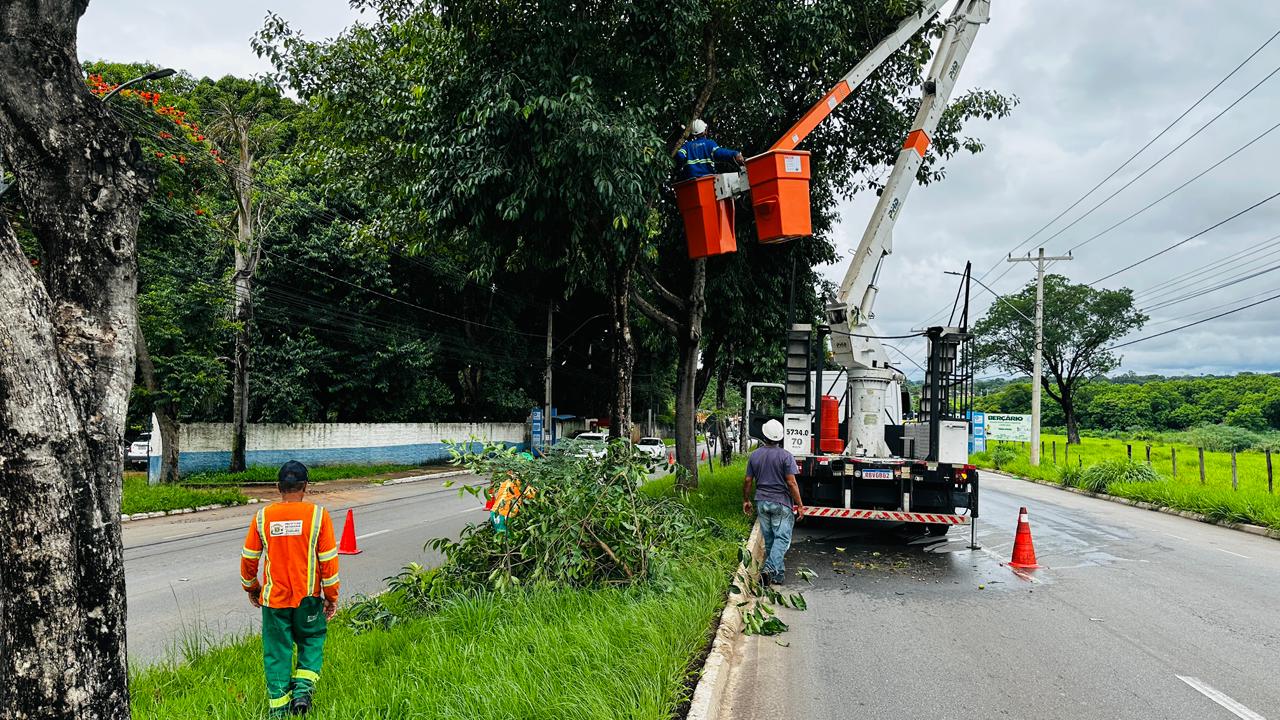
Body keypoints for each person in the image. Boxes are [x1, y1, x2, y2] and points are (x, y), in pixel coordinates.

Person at [240, 461, 340, 717]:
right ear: (305, 487)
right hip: (307, 599)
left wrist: (252, 587)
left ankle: (279, 709)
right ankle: (302, 692)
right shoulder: (319, 516)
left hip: (274, 601)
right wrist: (331, 598)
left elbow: (250, 558)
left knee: (276, 651)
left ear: (278, 487)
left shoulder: (263, 517)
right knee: (312, 640)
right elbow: (328, 562)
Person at [742, 419, 805, 585]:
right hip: (781, 503)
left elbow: (748, 480)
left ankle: (777, 576)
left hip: (762, 502)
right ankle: (769, 568)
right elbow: (791, 483)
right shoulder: (786, 456)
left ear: (764, 435)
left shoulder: (755, 456)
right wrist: (799, 505)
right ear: (780, 437)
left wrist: (746, 500)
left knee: (770, 539)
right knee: (782, 539)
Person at [676, 118, 746, 181]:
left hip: (692, 181)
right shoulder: (709, 144)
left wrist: (686, 163)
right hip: (708, 179)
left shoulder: (687, 145)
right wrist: (735, 153)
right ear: (704, 131)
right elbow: (719, 153)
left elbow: (680, 155)